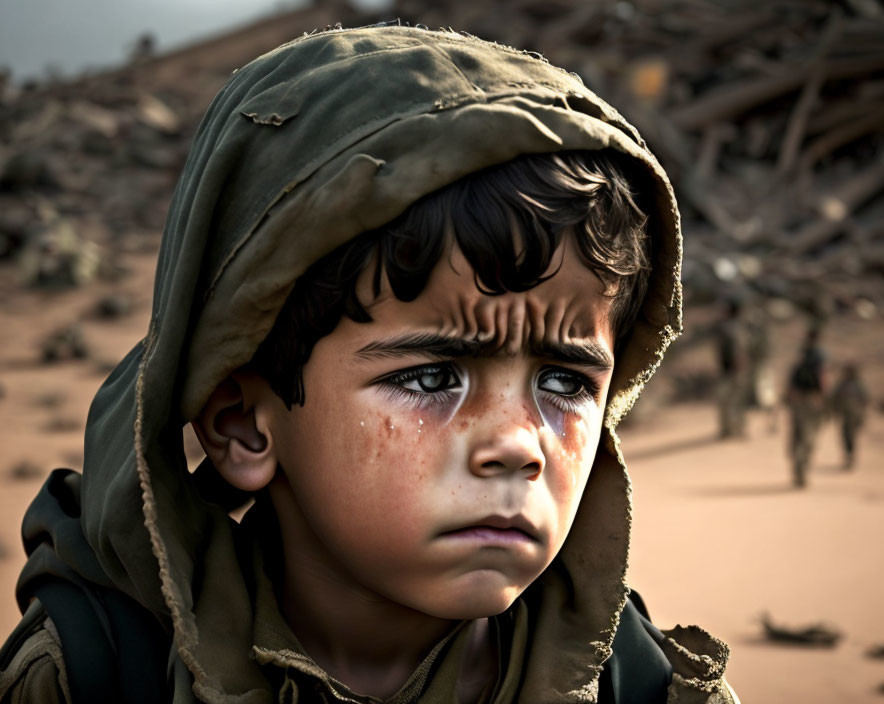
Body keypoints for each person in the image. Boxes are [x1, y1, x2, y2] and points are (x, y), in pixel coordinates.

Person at [0, 24, 738, 703]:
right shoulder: (92, 677)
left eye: (564, 381)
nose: (518, 444)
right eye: (430, 377)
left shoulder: (644, 689)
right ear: (244, 427)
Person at [785, 326, 827, 488]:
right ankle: (801, 469)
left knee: (798, 434)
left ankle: (798, 469)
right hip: (811, 399)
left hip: (797, 399)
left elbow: (792, 377)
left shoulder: (802, 353)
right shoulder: (818, 355)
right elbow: (822, 377)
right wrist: (823, 397)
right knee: (807, 436)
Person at [714, 297, 748, 438]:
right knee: (733, 400)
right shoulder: (736, 328)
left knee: (730, 401)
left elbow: (737, 351)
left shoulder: (731, 329)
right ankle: (734, 429)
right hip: (731, 370)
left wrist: (737, 369)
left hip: (732, 371)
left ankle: (733, 429)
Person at [829, 363, 870, 470]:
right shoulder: (842, 384)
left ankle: (851, 456)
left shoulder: (858, 385)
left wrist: (862, 414)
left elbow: (865, 399)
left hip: (855, 415)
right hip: (845, 416)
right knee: (845, 436)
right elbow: (834, 398)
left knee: (851, 436)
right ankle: (848, 456)